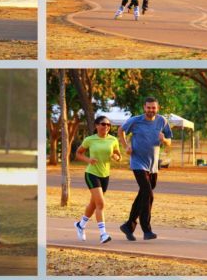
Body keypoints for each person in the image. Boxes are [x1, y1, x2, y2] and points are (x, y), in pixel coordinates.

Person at [118, 97, 172, 241]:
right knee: (148, 194)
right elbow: (121, 130)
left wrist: (164, 140)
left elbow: (169, 142)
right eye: (148, 107)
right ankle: (146, 229)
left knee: (143, 194)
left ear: (157, 108)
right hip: (138, 163)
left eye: (153, 108)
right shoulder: (135, 120)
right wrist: (126, 146)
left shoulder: (162, 121)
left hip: (153, 165)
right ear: (144, 107)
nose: (150, 110)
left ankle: (129, 225)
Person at [74, 116, 121, 244]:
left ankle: (81, 225)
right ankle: (103, 234)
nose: (106, 127)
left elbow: (118, 155)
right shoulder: (90, 139)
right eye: (103, 124)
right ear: (96, 125)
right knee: (101, 204)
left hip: (105, 175)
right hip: (91, 173)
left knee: (94, 204)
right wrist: (89, 160)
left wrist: (116, 157)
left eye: (108, 125)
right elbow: (78, 153)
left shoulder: (113, 140)